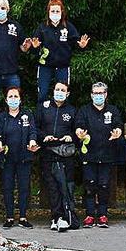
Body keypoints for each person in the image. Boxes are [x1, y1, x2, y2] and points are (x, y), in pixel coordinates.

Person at [73, 82, 124, 227]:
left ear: (106, 94)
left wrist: (118, 132)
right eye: (95, 93)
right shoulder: (84, 110)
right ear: (91, 95)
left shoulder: (113, 110)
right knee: (89, 185)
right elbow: (78, 125)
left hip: (107, 154)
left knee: (104, 185)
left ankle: (102, 214)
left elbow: (118, 125)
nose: (98, 96)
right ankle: (89, 214)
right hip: (89, 155)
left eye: (101, 93)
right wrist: (79, 132)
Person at [0, 86, 39, 229]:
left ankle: (23, 217)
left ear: (20, 99)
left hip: (24, 157)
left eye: (16, 97)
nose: (13, 99)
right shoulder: (1, 117)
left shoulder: (27, 114)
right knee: (8, 188)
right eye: (10, 97)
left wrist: (32, 142)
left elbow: (32, 132)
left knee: (24, 188)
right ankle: (10, 217)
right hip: (7, 159)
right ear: (6, 100)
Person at [35, 81, 77, 232]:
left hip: (65, 154)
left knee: (64, 186)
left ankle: (66, 216)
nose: (59, 92)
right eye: (57, 89)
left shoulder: (72, 110)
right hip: (48, 152)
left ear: (68, 94)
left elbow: (77, 131)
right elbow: (35, 128)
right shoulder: (43, 107)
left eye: (63, 90)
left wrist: (70, 136)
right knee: (52, 187)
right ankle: (56, 217)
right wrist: (44, 137)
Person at [30, 0, 89, 102]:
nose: (55, 13)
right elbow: (34, 50)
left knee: (63, 96)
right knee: (42, 94)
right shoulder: (42, 28)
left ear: (62, 12)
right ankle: (41, 116)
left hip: (63, 67)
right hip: (45, 67)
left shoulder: (69, 27)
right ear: (48, 12)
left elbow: (77, 44)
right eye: (53, 11)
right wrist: (34, 47)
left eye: (57, 11)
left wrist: (82, 46)